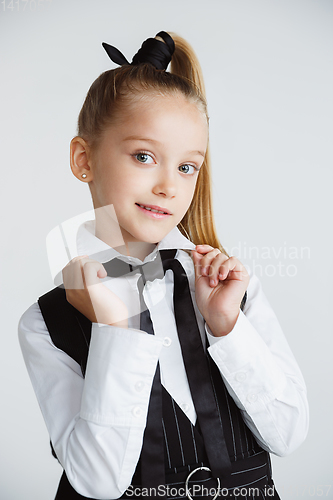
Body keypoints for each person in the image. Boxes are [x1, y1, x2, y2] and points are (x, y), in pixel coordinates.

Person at [18, 31, 308, 500]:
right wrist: (115, 329)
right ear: (83, 158)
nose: (169, 187)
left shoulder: (227, 288)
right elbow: (95, 482)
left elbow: (289, 434)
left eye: (187, 167)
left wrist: (228, 328)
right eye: (144, 156)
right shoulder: (43, 323)